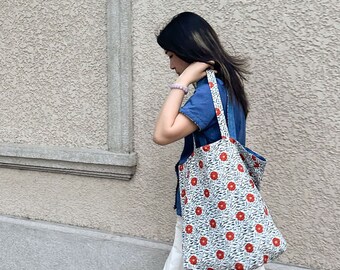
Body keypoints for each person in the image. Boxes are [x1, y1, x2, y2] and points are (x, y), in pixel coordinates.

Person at [153, 12, 265, 270]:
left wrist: (182, 81)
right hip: (227, 201)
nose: (171, 65)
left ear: (187, 50)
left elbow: (162, 134)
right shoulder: (229, 86)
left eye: (171, 55)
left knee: (183, 258)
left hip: (205, 203)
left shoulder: (207, 95)